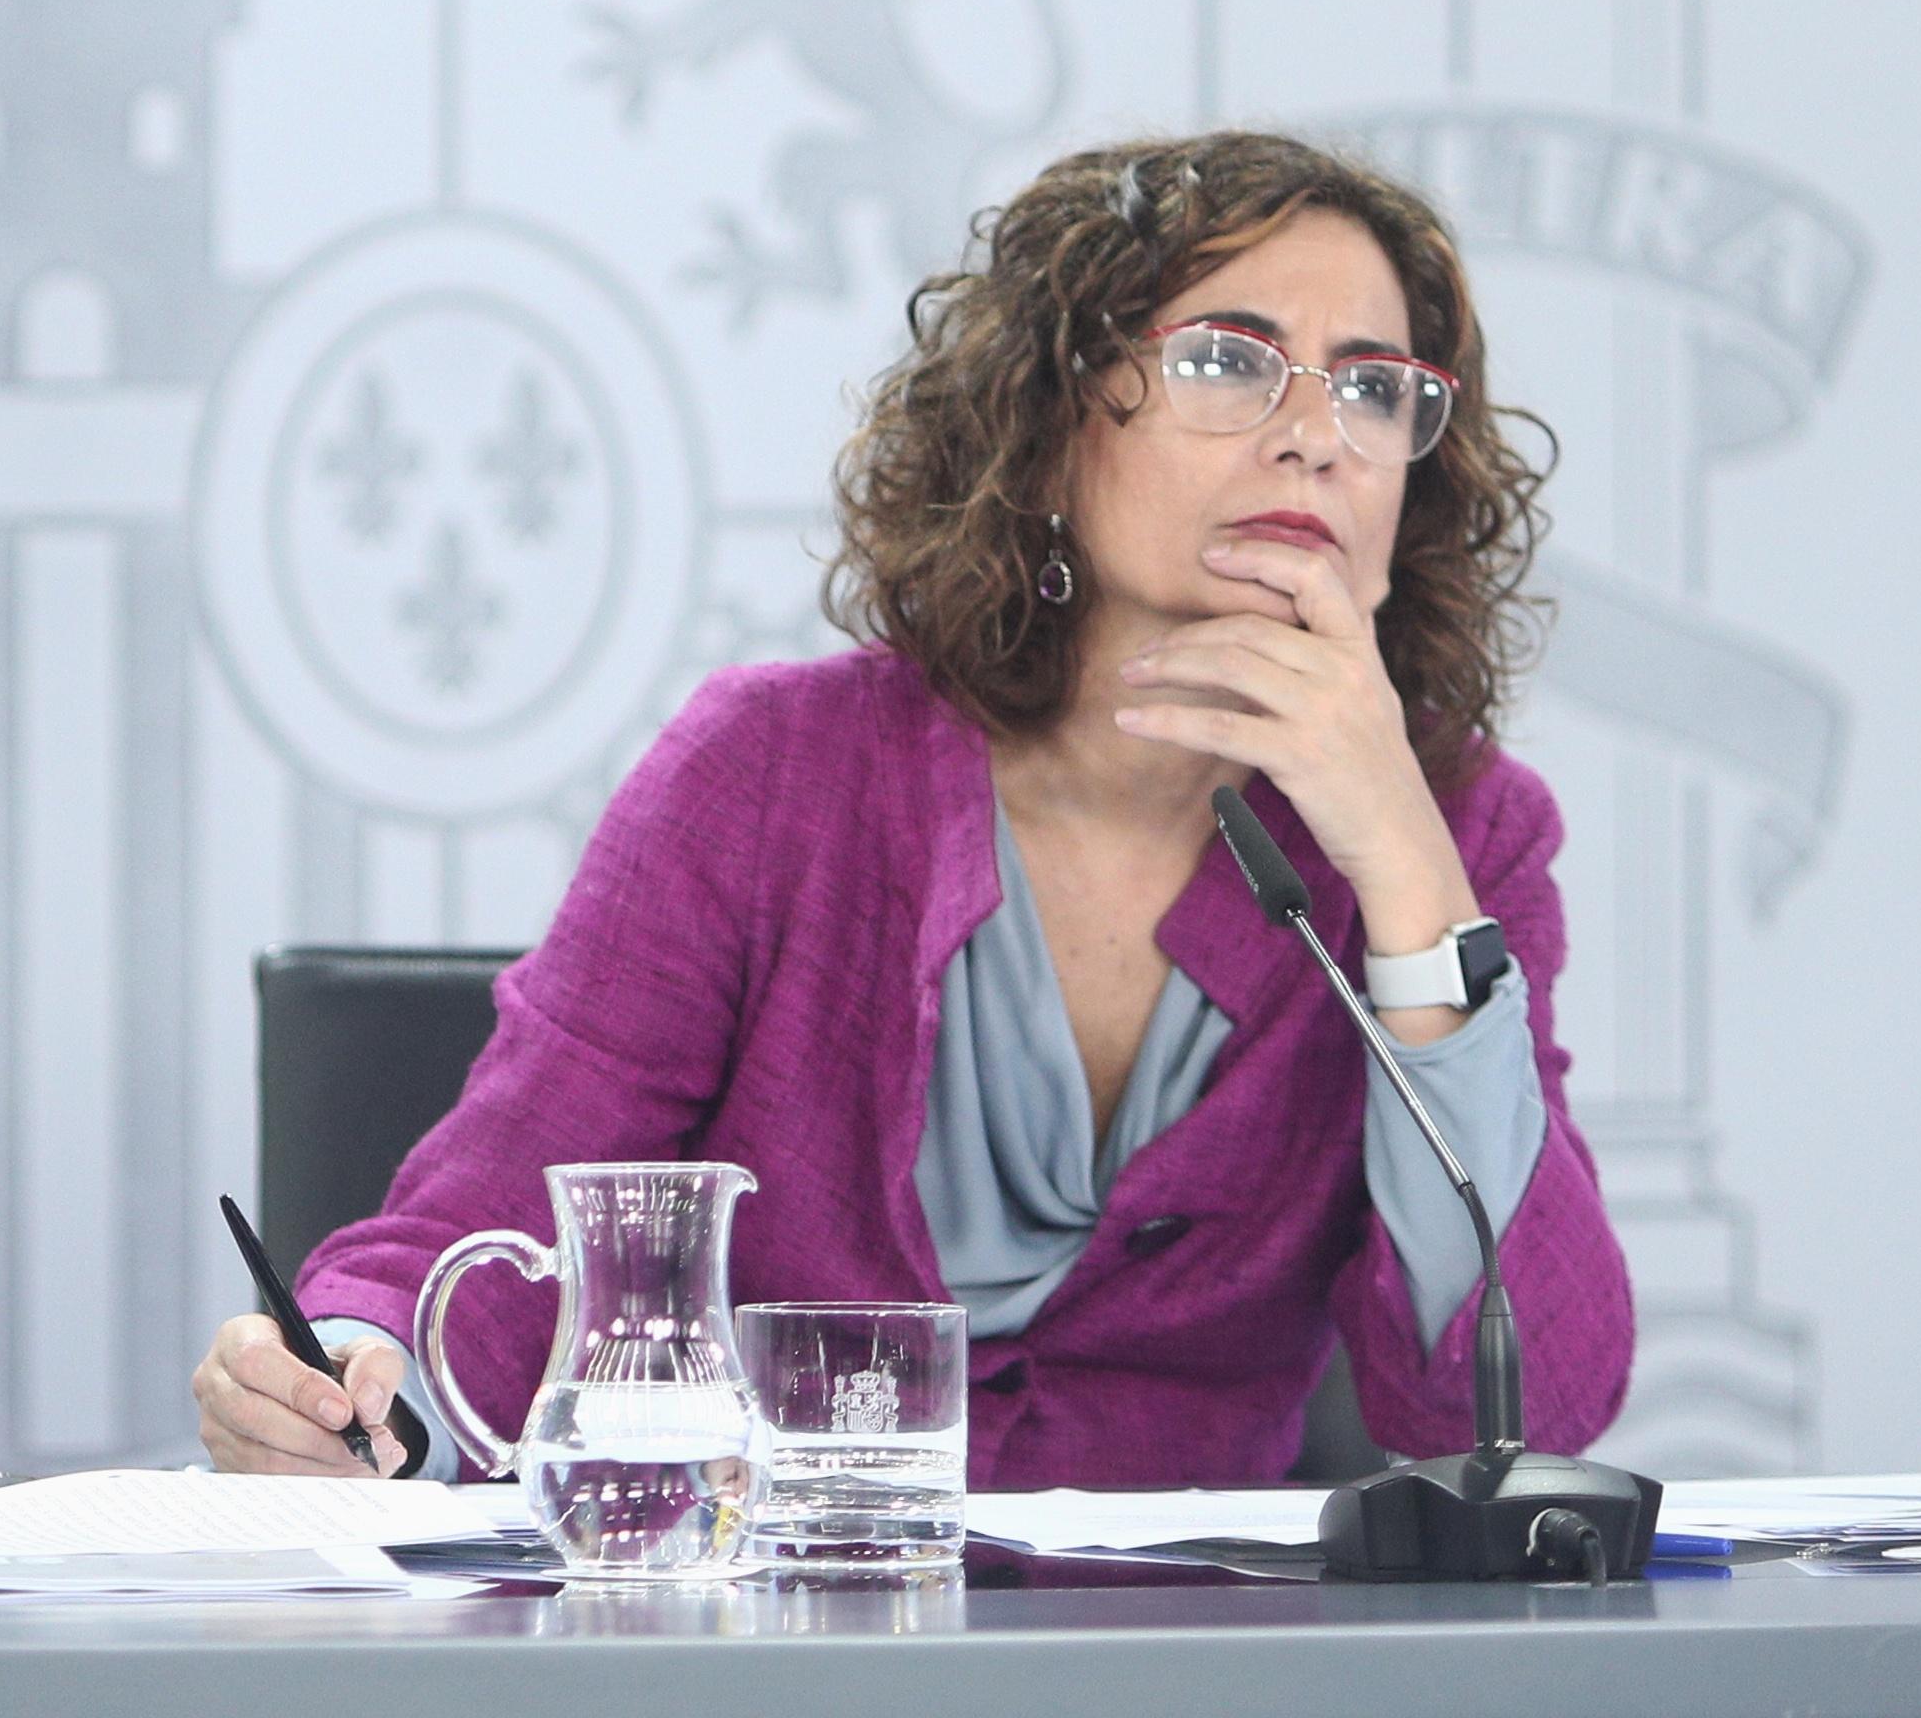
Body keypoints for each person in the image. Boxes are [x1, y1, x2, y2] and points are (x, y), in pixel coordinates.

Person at [197, 129, 1630, 1489]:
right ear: (1055, 425)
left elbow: (1526, 1408)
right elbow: (490, 1217)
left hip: (1186, 1659)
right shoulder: (774, 774)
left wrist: (1398, 853)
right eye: (1227, 361)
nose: (1319, 436)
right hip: (770, 1642)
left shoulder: (1464, 837)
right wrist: (351, 1381)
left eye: (1376, 390)